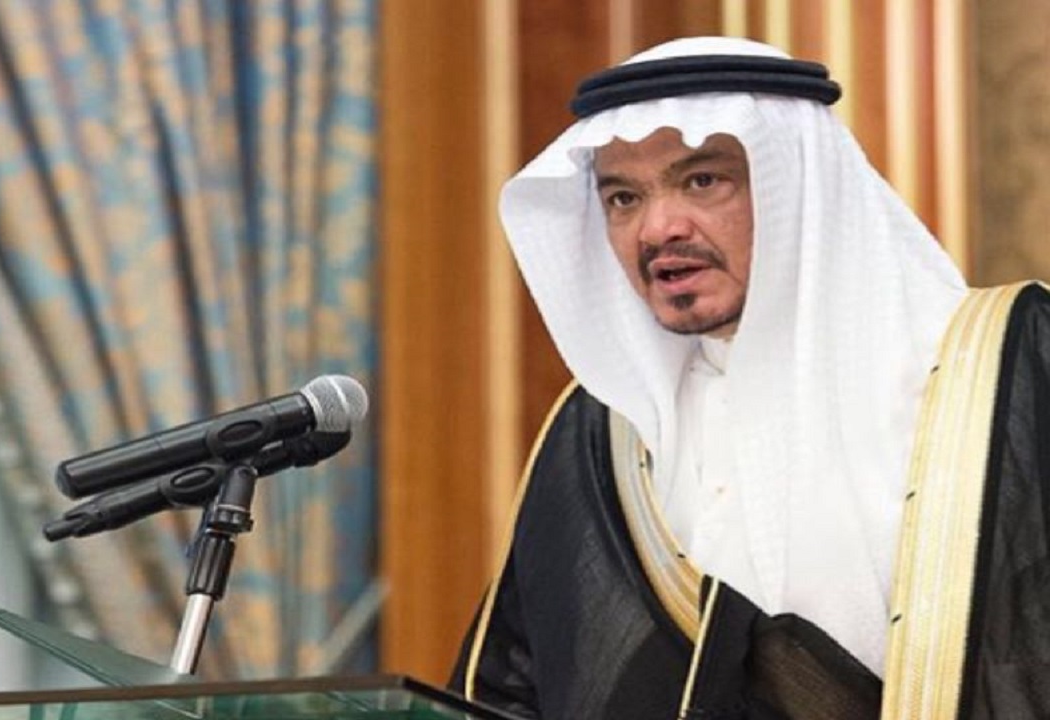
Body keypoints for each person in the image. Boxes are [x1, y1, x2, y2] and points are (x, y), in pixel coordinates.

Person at [449, 36, 1050, 720]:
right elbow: (513, 690)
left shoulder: (992, 371)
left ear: (798, 185)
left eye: (702, 181)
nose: (657, 228)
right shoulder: (601, 432)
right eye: (623, 198)